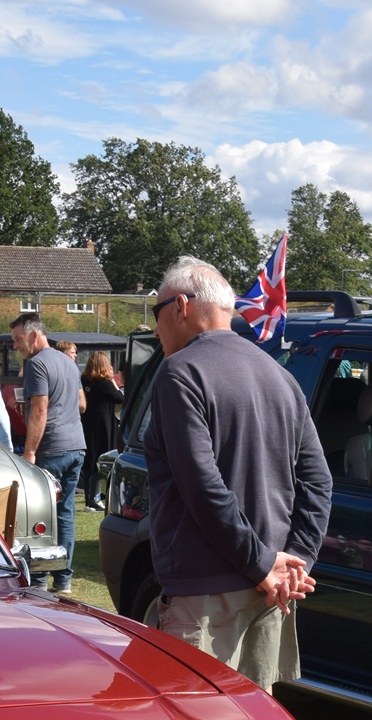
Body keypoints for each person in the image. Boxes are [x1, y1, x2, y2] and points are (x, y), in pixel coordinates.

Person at [142, 255, 332, 690]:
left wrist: (270, 565)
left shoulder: (179, 372)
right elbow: (318, 481)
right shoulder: (279, 375)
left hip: (210, 590)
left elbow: (203, 486)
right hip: (268, 585)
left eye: (156, 312)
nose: (155, 329)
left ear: (181, 306)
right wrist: (295, 562)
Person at [11, 315, 85, 592]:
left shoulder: (36, 364)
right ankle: (63, 579)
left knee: (40, 515)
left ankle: (40, 580)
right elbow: (82, 404)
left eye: (18, 339)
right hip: (76, 445)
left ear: (34, 335)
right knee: (65, 514)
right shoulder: (68, 361)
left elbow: (40, 410)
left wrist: (29, 452)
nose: (16, 346)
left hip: (51, 447)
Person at [80, 351, 123, 511]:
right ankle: (95, 498)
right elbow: (120, 398)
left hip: (86, 423)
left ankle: (87, 499)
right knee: (101, 459)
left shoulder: (84, 381)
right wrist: (113, 381)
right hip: (103, 425)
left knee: (88, 460)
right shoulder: (105, 383)